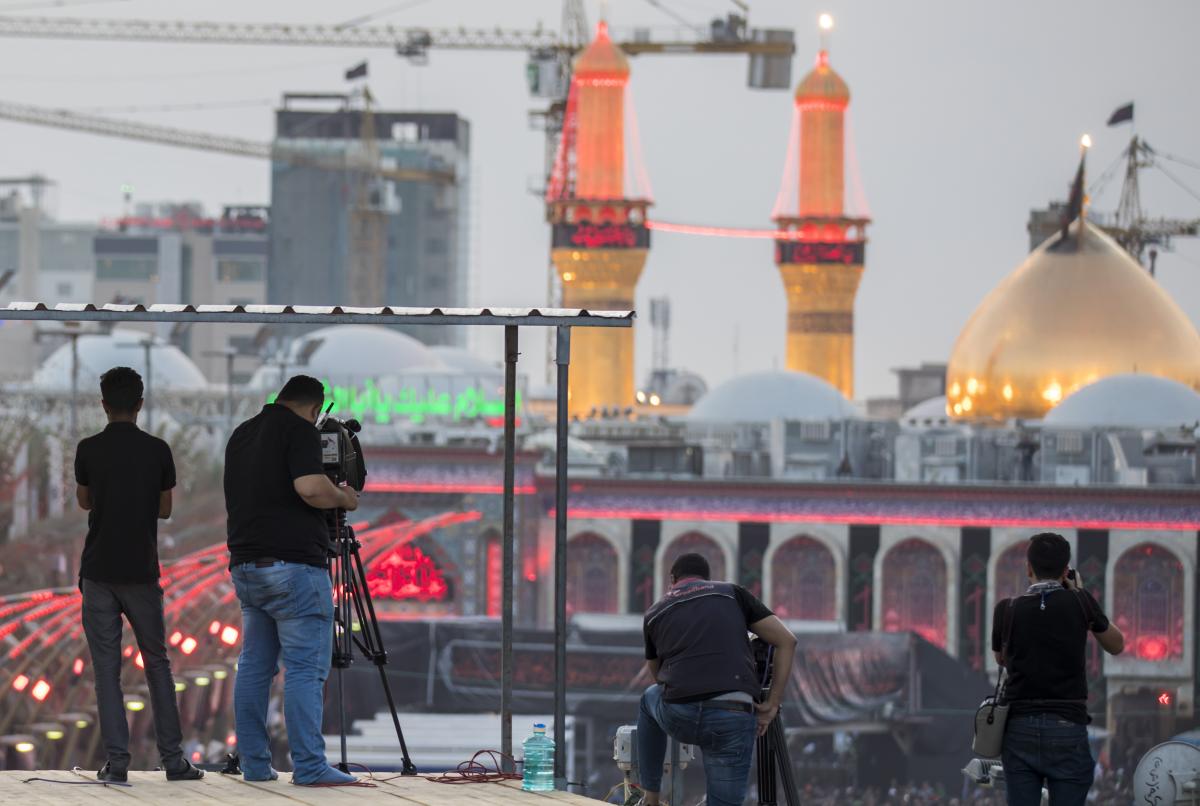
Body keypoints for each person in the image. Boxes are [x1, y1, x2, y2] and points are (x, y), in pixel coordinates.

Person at [224, 375, 361, 785]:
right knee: (303, 670)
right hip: (295, 569)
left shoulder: (242, 433)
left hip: (247, 567)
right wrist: (343, 496)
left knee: (253, 668)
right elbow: (310, 488)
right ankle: (310, 766)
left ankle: (254, 765)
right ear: (315, 408)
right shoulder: (300, 431)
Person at [74, 366, 204, 782]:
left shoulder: (87, 449)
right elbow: (164, 509)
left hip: (98, 572)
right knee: (157, 664)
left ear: (104, 404)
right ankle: (174, 762)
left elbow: (84, 502)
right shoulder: (158, 450)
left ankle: (117, 764)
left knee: (106, 670)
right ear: (140, 404)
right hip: (142, 572)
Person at [638, 553, 798, 806]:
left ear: (672, 579)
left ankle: (651, 798)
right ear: (707, 578)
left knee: (648, 701)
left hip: (680, 712)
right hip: (732, 714)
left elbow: (657, 677)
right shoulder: (730, 594)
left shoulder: (655, 612)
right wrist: (772, 704)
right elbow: (787, 641)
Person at [992, 532, 1124, 806]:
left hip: (1019, 727)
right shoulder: (1080, 601)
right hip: (1067, 725)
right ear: (1066, 570)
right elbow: (1116, 644)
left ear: (1028, 567)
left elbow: (1001, 659)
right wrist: (1078, 592)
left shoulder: (1007, 609)